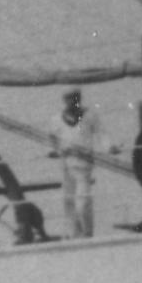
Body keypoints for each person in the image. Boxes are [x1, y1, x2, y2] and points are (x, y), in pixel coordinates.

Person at [49, 86, 102, 238]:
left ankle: (87, 234)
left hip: (84, 166)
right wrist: (57, 150)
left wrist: (109, 147)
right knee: (69, 203)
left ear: (79, 99)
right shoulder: (56, 119)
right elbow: (52, 137)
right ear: (64, 100)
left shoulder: (90, 116)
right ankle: (75, 236)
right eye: (68, 98)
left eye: (74, 98)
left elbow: (101, 135)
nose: (71, 101)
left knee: (83, 203)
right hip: (66, 166)